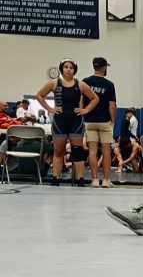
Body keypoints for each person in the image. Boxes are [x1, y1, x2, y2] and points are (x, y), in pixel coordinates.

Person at [36, 58, 99, 186]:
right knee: (58, 151)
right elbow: (39, 95)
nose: (68, 69)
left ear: (74, 70)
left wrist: (86, 110)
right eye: (66, 67)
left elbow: (95, 98)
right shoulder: (54, 83)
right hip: (60, 121)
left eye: (71, 67)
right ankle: (55, 178)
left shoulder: (80, 84)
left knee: (77, 151)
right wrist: (49, 109)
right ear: (62, 69)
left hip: (75, 121)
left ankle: (80, 179)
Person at [82, 57, 117, 188]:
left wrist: (83, 114)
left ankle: (95, 180)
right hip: (104, 121)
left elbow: (80, 100)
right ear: (104, 68)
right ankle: (106, 180)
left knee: (92, 150)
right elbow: (112, 105)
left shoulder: (85, 82)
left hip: (89, 120)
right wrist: (112, 121)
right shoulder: (109, 84)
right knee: (106, 151)